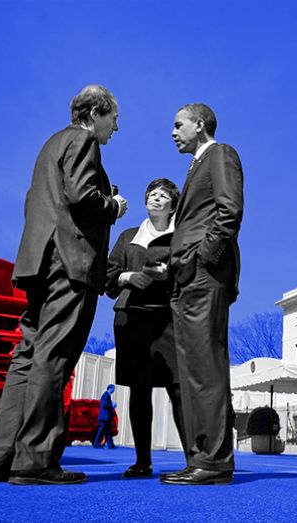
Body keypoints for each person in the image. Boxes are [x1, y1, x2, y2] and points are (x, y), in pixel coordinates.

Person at [0, 84, 128, 485]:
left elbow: (36, 202)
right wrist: (112, 206)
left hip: (38, 262)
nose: (116, 128)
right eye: (114, 119)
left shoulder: (50, 145)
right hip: (70, 262)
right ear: (95, 114)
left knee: (27, 354)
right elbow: (82, 196)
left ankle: (0, 457)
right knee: (54, 354)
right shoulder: (83, 141)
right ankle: (36, 458)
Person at [161, 103, 243, 485]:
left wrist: (201, 258)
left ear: (199, 124)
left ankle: (213, 461)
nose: (173, 132)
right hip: (186, 277)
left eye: (178, 125)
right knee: (192, 369)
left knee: (206, 366)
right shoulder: (195, 166)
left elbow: (229, 211)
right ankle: (200, 457)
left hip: (204, 275)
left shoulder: (221, 154)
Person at [105, 178, 187, 477]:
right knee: (139, 390)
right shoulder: (128, 236)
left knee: (177, 389)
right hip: (132, 318)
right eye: (151, 194)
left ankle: (194, 460)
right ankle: (142, 461)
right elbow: (108, 277)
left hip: (169, 318)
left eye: (162, 195)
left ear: (173, 205)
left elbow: (190, 274)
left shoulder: (182, 236)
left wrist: (164, 272)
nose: (155, 198)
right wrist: (128, 277)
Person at [93, 384, 117, 449]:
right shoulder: (106, 395)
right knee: (101, 431)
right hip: (104, 417)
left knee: (108, 431)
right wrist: (112, 405)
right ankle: (96, 444)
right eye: (113, 389)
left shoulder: (107, 395)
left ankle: (111, 445)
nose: (114, 390)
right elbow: (104, 405)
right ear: (110, 388)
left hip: (106, 418)